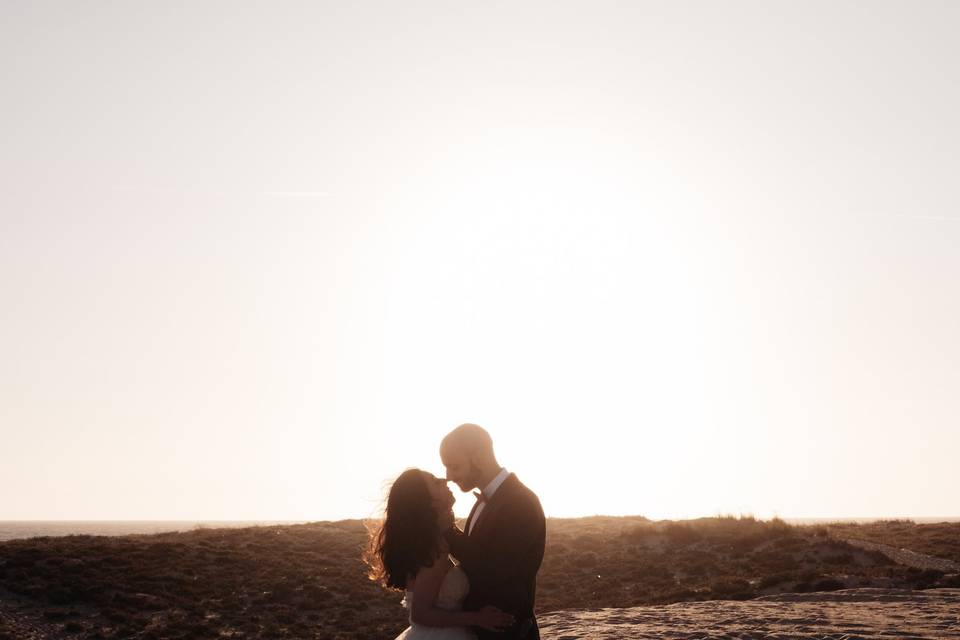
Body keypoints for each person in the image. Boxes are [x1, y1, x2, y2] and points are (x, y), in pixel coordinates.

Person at [368, 468, 515, 639]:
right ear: (429, 502)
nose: (445, 480)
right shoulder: (434, 548)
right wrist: (477, 618)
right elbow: (420, 614)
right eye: (436, 482)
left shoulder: (432, 539)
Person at [440, 424, 546, 640]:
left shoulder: (520, 502)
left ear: (477, 457)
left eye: (454, 466)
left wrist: (447, 531)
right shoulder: (488, 499)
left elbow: (494, 569)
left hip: (509, 633)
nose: (449, 476)